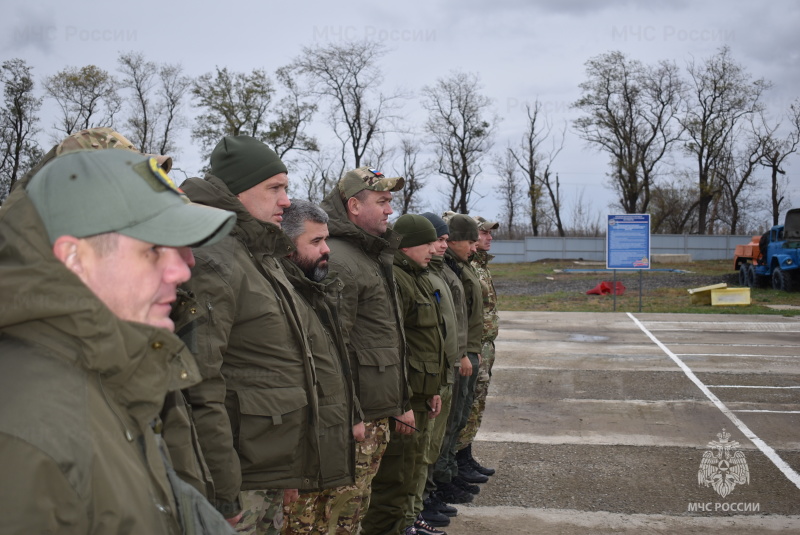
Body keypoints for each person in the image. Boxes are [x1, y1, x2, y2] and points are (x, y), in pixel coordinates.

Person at [0, 149, 237, 534]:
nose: (180, 270)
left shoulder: (107, 372)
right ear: (75, 258)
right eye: (153, 249)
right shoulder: (24, 429)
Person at [177, 136, 338, 534]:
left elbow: (279, 362)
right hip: (237, 476)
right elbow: (198, 384)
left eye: (285, 187)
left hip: (264, 465)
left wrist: (286, 465)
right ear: (236, 192)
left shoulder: (256, 253)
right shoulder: (214, 258)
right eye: (274, 188)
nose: (286, 200)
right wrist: (223, 490)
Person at [320, 165, 414, 534]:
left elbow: (383, 337)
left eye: (391, 201)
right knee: (342, 516)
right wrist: (352, 414)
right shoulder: (341, 260)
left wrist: (400, 399)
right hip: (357, 420)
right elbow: (331, 347)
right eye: (383, 201)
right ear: (354, 207)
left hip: (375, 410)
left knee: (356, 512)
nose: (391, 210)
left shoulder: (369, 254)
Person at [279, 199, 360, 534]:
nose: (327, 250)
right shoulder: (282, 295)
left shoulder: (316, 289)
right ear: (285, 247)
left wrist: (352, 413)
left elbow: (336, 364)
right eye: (315, 242)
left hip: (329, 436)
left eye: (325, 239)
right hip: (296, 455)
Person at [387, 214, 448, 535]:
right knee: (398, 475)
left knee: (414, 465)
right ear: (408, 246)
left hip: (423, 392)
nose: (435, 249)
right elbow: (394, 345)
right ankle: (403, 524)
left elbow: (430, 341)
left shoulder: (418, 276)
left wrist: (434, 389)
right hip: (407, 395)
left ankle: (408, 522)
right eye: (427, 243)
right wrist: (402, 399)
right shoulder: (398, 280)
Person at [433, 213, 486, 505]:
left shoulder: (459, 268)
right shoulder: (447, 269)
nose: (475, 247)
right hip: (459, 356)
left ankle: (449, 471)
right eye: (470, 241)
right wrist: (463, 352)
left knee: (460, 417)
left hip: (469, 351)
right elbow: (453, 317)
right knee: (449, 421)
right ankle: (442, 479)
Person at [417, 213, 462, 528]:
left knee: (437, 440)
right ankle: (419, 503)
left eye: (446, 239)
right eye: (439, 239)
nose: (443, 245)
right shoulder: (421, 276)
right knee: (424, 447)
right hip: (427, 376)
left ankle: (428, 494)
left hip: (444, 370)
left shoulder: (438, 273)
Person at [456, 216, 501, 477]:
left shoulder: (480, 266)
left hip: (484, 345)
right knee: (468, 403)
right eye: (483, 233)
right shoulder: (468, 266)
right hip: (474, 345)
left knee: (477, 402)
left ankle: (466, 455)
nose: (488, 237)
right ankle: (459, 461)